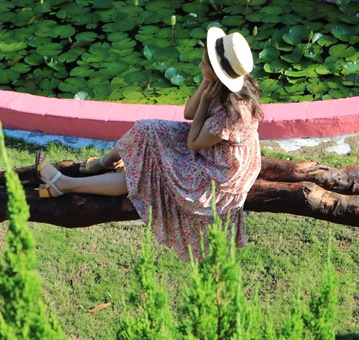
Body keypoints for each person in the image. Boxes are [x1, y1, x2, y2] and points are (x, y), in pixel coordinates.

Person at [35, 26, 263, 262]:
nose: (199, 66)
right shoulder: (218, 84)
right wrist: (205, 83)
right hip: (209, 146)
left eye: (204, 63)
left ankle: (64, 184)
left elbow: (193, 142)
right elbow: (188, 112)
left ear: (218, 73)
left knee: (146, 175)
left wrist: (206, 100)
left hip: (217, 173)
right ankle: (102, 162)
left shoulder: (235, 113)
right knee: (146, 127)